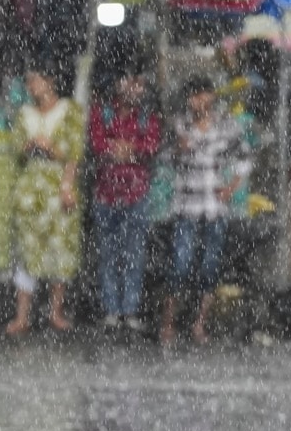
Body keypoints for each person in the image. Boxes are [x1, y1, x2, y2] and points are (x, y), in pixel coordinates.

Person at [161, 77, 251, 345]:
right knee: (180, 264)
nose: (199, 101)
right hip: (186, 205)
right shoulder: (179, 124)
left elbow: (245, 157)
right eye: (194, 96)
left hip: (214, 207)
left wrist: (231, 188)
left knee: (209, 267)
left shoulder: (226, 125)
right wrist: (179, 148)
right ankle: (168, 323)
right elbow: (164, 157)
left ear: (211, 97)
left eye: (203, 95)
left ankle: (199, 324)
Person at [6, 66, 86, 336]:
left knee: (59, 249)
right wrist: (29, 145)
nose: (31, 85)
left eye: (35, 79)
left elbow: (75, 151)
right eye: (28, 81)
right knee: (27, 252)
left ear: (51, 79)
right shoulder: (23, 114)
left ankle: (56, 311)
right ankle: (22, 316)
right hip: (30, 188)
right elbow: (15, 148)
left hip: (57, 186)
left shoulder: (70, 109)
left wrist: (66, 183)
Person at [88, 66, 160, 332]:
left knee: (134, 254)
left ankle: (129, 310)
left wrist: (124, 149)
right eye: (130, 80)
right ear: (118, 82)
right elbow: (96, 143)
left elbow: (151, 145)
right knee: (109, 254)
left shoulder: (147, 116)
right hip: (105, 195)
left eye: (140, 82)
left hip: (137, 195)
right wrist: (126, 150)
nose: (134, 87)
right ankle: (111, 310)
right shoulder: (102, 112)